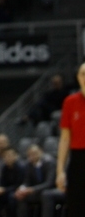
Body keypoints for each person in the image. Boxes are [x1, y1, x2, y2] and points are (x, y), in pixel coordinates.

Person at [55, 62, 85, 217]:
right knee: (76, 206)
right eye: (83, 74)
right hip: (77, 159)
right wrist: (60, 171)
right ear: (78, 77)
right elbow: (65, 139)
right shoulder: (70, 102)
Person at [10, 143, 55, 217]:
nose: (33, 156)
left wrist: (33, 189)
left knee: (45, 194)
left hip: (48, 189)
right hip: (36, 191)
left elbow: (50, 183)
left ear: (41, 151)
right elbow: (26, 181)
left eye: (35, 153)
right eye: (30, 154)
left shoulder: (49, 162)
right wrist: (22, 189)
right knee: (21, 197)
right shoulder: (29, 165)